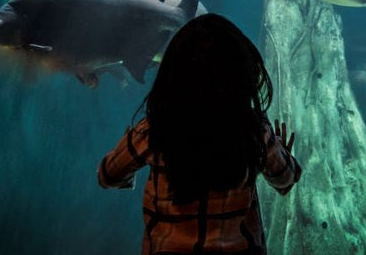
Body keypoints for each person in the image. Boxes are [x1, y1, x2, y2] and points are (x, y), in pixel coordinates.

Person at [98, 13, 302, 254]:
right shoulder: (253, 130)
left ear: (172, 76)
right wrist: (281, 151)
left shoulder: (154, 129)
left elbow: (108, 175)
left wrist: (128, 147)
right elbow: (285, 178)